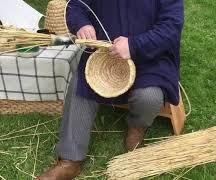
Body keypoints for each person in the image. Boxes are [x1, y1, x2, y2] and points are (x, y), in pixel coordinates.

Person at [36, 0, 184, 179]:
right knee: (82, 86)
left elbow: (171, 28)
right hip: (105, 54)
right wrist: (82, 24)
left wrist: (133, 45)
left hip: (150, 56)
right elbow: (75, 6)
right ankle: (69, 160)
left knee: (149, 97)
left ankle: (137, 126)